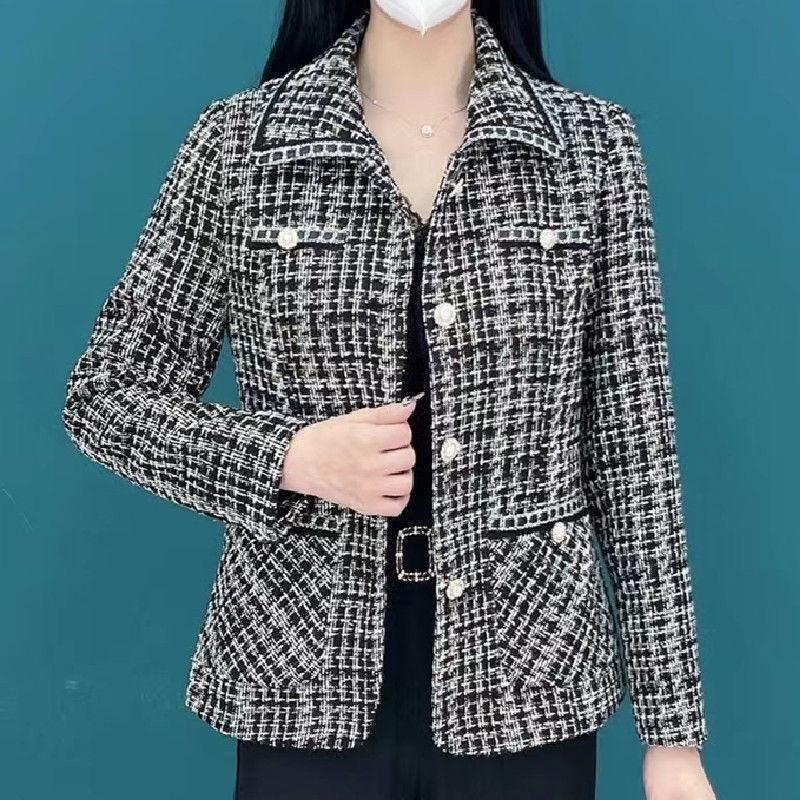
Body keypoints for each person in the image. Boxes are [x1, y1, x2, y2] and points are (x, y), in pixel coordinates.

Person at [62, 2, 717, 798]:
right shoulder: (240, 144)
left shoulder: (588, 147)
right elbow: (107, 395)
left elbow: (634, 452)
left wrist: (673, 736)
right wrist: (288, 458)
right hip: (298, 666)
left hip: (531, 670)